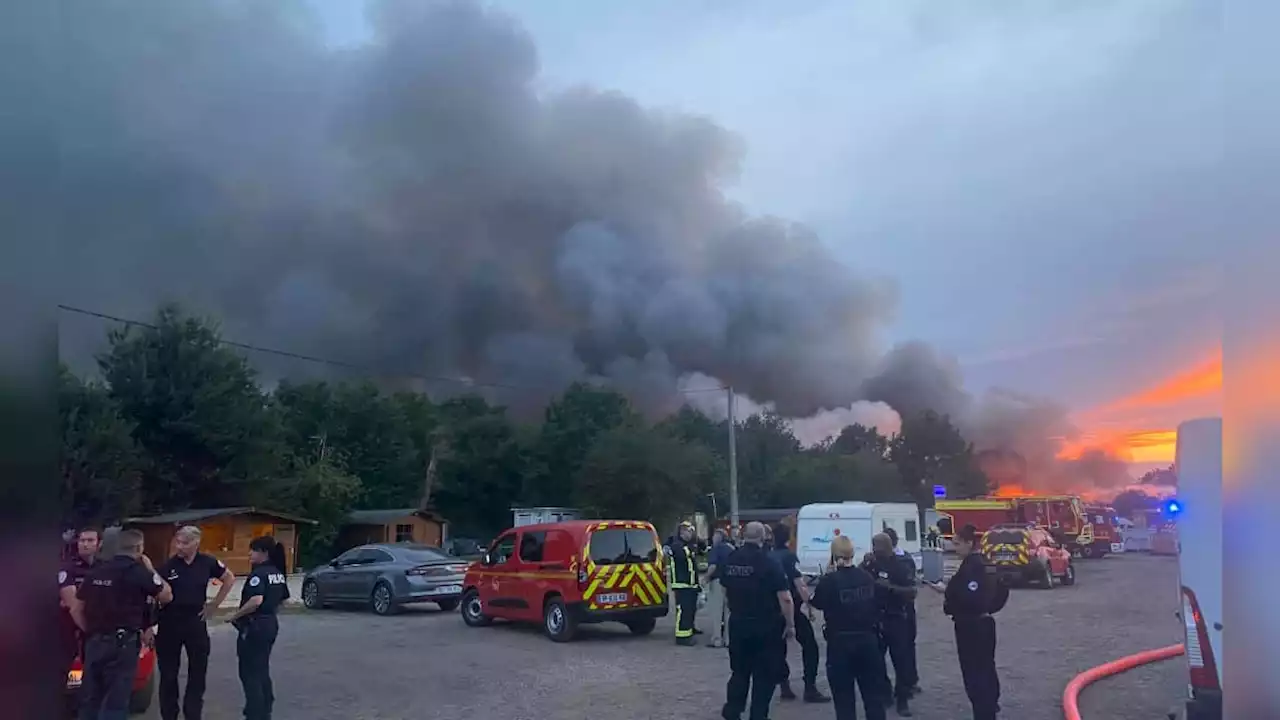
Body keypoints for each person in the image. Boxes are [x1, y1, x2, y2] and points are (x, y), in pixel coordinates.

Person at [70, 528, 173, 720]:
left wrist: (90, 631)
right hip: (123, 643)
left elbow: (76, 608)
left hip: (94, 641)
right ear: (139, 548)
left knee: (90, 698)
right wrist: (151, 569)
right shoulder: (139, 572)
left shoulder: (96, 571)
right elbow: (167, 595)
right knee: (116, 701)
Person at [156, 526, 235, 720]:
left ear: (196, 543)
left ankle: (193, 713)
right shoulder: (168, 566)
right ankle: (169, 715)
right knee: (168, 674)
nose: (179, 547)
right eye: (178, 542)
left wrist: (214, 604)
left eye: (185, 543)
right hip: (170, 621)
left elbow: (229, 578)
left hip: (195, 620)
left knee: (198, 672)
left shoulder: (207, 562)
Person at [719, 521, 794, 720]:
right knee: (764, 675)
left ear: (744, 535)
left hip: (738, 623)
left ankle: (733, 710)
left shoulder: (731, 558)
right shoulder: (769, 562)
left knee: (739, 672)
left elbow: (725, 589)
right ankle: (758, 715)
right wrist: (790, 624)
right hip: (765, 625)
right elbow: (785, 597)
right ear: (763, 537)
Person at [811, 535, 887, 720]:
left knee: (843, 699)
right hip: (868, 641)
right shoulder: (866, 577)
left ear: (834, 556)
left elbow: (818, 602)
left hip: (840, 643)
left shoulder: (830, 581)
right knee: (873, 697)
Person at [942, 524, 1009, 720]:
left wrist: (948, 597)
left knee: (974, 672)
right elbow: (1002, 590)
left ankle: (983, 712)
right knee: (987, 666)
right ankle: (991, 703)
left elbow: (966, 598)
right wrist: (990, 609)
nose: (955, 548)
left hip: (969, 627)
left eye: (957, 544)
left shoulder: (971, 568)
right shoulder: (987, 563)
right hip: (986, 623)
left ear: (969, 543)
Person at [224, 537, 291, 720]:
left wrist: (234, 616)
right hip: (269, 623)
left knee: (249, 672)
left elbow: (255, 600)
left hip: (254, 626)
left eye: (253, 550)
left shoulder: (258, 574)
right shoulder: (277, 572)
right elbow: (284, 598)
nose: (249, 554)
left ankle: (254, 712)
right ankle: (265, 708)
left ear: (264, 553)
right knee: (262, 668)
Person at [770, 523, 829, 703]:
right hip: (792, 608)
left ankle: (784, 685)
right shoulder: (789, 557)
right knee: (810, 647)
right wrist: (809, 604)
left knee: (778, 649)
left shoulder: (769, 556)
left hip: (772, 610)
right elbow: (799, 584)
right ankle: (810, 687)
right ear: (788, 538)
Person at [861, 533, 916, 716]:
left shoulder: (900, 566)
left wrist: (889, 587)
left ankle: (902, 698)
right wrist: (863, 563)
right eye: (873, 546)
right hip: (876, 618)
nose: (875, 549)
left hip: (896, 617)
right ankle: (885, 693)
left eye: (878, 546)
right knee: (876, 661)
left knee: (901, 661)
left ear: (887, 546)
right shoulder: (872, 564)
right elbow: (859, 580)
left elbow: (911, 591)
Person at [59, 527, 102, 691]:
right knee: (73, 675)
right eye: (82, 540)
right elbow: (72, 604)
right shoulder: (69, 568)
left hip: (99, 628)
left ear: (99, 544)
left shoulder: (105, 567)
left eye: (90, 540)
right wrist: (89, 629)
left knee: (95, 674)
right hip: (73, 630)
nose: (85, 544)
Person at [884, 527, 921, 698]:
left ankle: (908, 682)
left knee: (905, 647)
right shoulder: (905, 558)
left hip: (901, 609)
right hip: (903, 609)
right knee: (906, 647)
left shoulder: (903, 560)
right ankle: (909, 682)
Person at [669, 521, 701, 646]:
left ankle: (689, 630)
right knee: (683, 610)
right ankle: (682, 637)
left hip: (690, 584)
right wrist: (692, 549)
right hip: (682, 584)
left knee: (690, 610)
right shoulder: (677, 545)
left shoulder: (686, 544)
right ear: (682, 532)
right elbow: (683, 557)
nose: (691, 534)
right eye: (689, 531)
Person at [704, 528, 735, 648]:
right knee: (728, 612)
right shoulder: (732, 548)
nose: (713, 538)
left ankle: (717, 639)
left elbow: (713, 566)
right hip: (731, 583)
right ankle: (728, 640)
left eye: (714, 536)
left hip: (717, 582)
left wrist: (705, 578)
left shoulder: (716, 549)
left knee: (717, 612)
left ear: (719, 537)